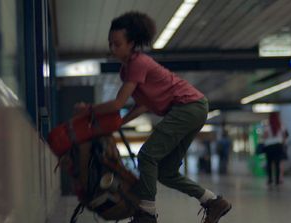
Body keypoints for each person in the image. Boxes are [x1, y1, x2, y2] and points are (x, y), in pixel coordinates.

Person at [75, 11, 231, 223]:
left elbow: (118, 103)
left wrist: (89, 109)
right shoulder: (127, 70)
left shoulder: (138, 63)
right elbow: (142, 105)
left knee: (147, 156)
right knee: (166, 172)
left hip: (188, 107)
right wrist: (118, 123)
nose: (112, 48)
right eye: (110, 43)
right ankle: (213, 201)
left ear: (132, 43)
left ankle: (146, 214)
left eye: (117, 44)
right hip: (193, 108)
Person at [262, 112, 288, 185]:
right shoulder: (281, 126)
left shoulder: (267, 126)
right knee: (277, 164)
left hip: (269, 146)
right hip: (278, 146)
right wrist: (282, 142)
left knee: (269, 163)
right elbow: (285, 136)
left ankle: (270, 179)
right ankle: (277, 180)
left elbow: (264, 136)